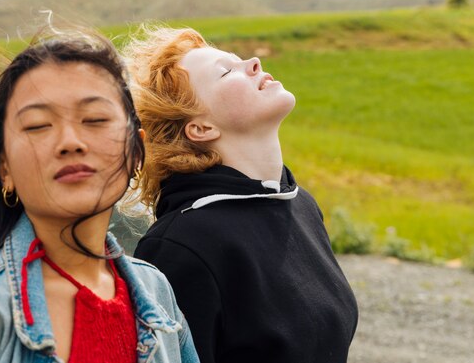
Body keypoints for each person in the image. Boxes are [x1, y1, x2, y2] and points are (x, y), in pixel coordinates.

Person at [0, 30, 200, 363]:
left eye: (95, 119)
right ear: (4, 168)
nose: (70, 141)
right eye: (37, 125)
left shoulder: (156, 292)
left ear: (137, 151)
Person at [126, 27, 358, 363]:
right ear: (201, 128)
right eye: (226, 71)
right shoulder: (180, 246)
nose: (253, 62)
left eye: (239, 61)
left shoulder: (299, 203)